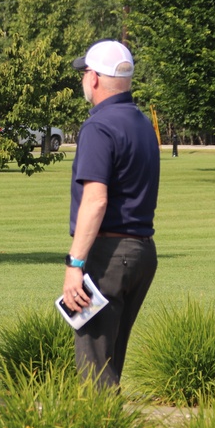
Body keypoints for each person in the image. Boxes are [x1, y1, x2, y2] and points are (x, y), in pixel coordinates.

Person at [61, 40, 159, 389]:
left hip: (109, 256)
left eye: (85, 72)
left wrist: (75, 264)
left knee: (95, 368)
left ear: (96, 79)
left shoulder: (99, 127)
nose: (83, 79)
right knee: (111, 361)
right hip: (141, 251)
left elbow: (96, 201)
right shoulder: (142, 123)